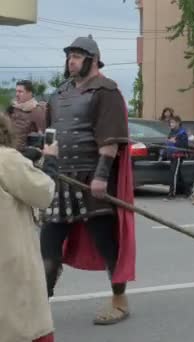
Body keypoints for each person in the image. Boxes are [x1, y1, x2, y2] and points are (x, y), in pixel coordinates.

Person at [41, 35, 136, 325]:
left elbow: (110, 140)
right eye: (69, 55)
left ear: (93, 60)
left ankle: (119, 300)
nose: (71, 60)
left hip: (93, 179)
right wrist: (46, 165)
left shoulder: (105, 91)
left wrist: (101, 176)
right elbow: (51, 136)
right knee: (48, 245)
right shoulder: (59, 94)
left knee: (106, 244)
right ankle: (38, 305)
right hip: (61, 181)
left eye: (77, 56)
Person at [0, 113, 58, 342]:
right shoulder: (7, 160)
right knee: (22, 323)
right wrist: (51, 160)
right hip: (9, 261)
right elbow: (44, 192)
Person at [5, 80, 46, 151]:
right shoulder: (12, 108)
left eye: (20, 91)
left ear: (29, 93)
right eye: (16, 91)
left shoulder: (36, 110)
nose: (17, 94)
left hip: (25, 154)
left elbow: (42, 135)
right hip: (9, 151)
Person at [165, 115, 189, 200]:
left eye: (172, 122)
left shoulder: (182, 133)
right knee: (178, 174)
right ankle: (187, 191)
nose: (171, 124)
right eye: (170, 123)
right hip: (172, 155)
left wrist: (175, 142)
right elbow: (168, 141)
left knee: (173, 174)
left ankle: (172, 193)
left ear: (178, 123)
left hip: (178, 156)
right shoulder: (171, 132)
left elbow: (184, 145)